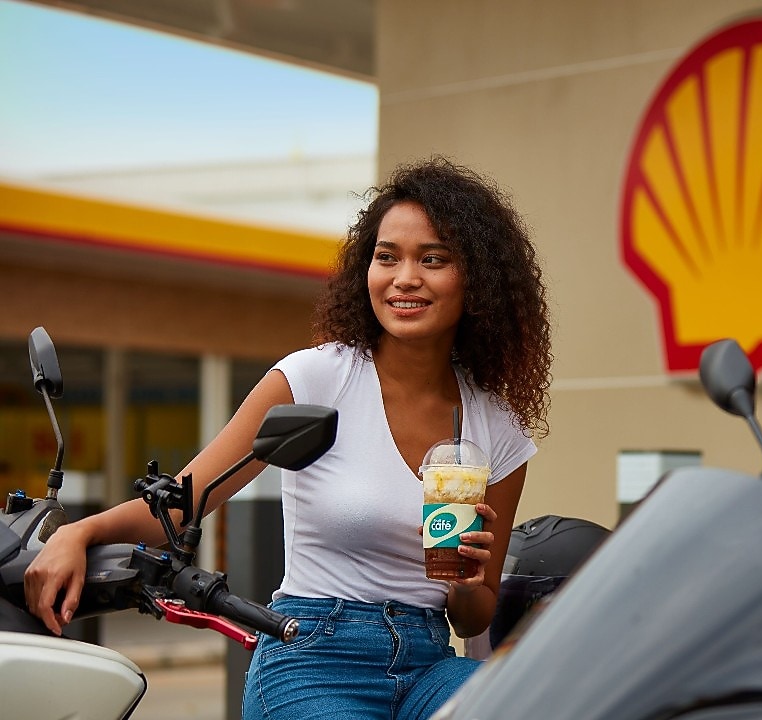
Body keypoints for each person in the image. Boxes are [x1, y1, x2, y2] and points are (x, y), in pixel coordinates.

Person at [24, 156, 554, 718]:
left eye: (434, 259)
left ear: (478, 280)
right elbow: (183, 502)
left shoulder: (496, 426)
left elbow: (471, 617)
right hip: (314, 657)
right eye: (386, 257)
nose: (404, 278)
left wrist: (470, 578)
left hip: (429, 661)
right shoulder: (315, 379)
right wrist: (76, 534)